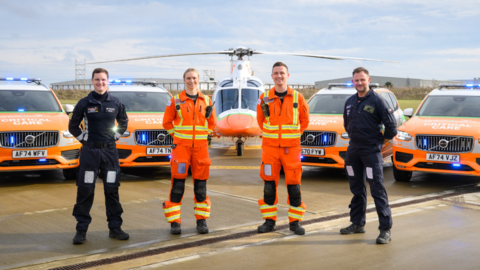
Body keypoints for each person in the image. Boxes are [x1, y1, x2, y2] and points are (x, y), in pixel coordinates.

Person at [68, 68, 129, 245]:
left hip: (110, 152)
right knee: (85, 189)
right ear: (92, 81)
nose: (100, 83)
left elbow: (124, 121)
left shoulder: (116, 102)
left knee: (112, 189)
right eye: (97, 80)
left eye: (103, 80)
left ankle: (115, 228)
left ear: (107, 81)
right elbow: (73, 125)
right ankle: (81, 229)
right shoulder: (84, 103)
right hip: (90, 153)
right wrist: (83, 140)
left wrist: (115, 136)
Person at [341, 67, 397, 244]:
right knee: (356, 188)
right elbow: (346, 124)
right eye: (356, 80)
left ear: (368, 80)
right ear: (353, 82)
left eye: (362, 80)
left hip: (371, 151)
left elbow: (392, 128)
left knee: (377, 189)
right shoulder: (350, 101)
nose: (359, 83)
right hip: (354, 150)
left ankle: (385, 229)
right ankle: (357, 223)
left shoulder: (377, 100)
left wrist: (379, 142)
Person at [256, 62, 309, 235]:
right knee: (269, 187)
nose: (279, 76)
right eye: (276, 73)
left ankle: (295, 223)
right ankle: (269, 222)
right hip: (270, 149)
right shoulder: (264, 97)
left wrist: (292, 137)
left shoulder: (298, 97)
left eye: (282, 73)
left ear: (288, 75)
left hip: (291, 150)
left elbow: (304, 120)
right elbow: (260, 121)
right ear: (272, 76)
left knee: (294, 187)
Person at [162, 68, 217, 235]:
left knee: (201, 187)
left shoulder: (207, 101)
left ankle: (201, 221)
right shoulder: (176, 101)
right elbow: (167, 122)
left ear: (198, 79)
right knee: (177, 186)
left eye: (194, 78)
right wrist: (178, 138)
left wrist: (203, 136)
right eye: (188, 78)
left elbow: (212, 124)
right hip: (181, 149)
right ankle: (175, 223)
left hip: (200, 150)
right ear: (184, 80)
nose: (191, 81)